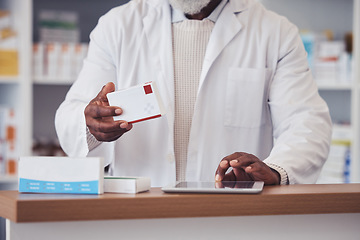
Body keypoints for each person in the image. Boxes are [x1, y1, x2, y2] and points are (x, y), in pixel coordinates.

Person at [55, 0, 332, 187]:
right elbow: (71, 114)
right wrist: (90, 123)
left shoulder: (275, 32)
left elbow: (306, 125)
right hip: (137, 213)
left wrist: (275, 170)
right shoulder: (118, 25)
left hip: (234, 218)